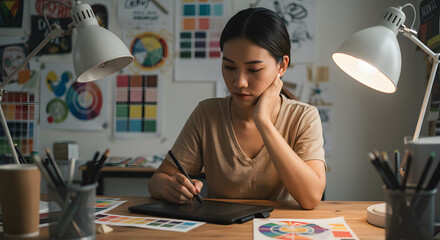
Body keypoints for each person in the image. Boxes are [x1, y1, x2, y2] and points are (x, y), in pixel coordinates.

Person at [149, 7, 326, 209]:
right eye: (229, 67)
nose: (239, 82)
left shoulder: (303, 117)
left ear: (282, 66)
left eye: (254, 69)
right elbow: (157, 181)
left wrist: (264, 122)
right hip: (221, 231)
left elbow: (311, 197)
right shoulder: (208, 114)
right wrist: (169, 187)